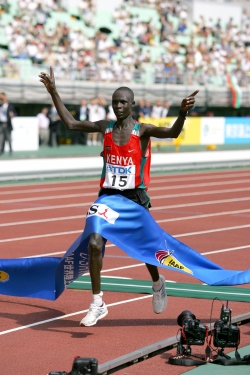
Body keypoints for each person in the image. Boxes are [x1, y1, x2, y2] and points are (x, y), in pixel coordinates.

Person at [39, 67, 198, 327]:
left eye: (123, 102)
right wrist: (54, 92)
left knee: (146, 250)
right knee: (94, 242)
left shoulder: (142, 131)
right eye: (115, 102)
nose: (118, 106)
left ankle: (157, 282)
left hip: (135, 198)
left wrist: (182, 113)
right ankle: (97, 302)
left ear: (132, 105)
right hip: (108, 197)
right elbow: (70, 123)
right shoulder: (106, 127)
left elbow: (172, 133)